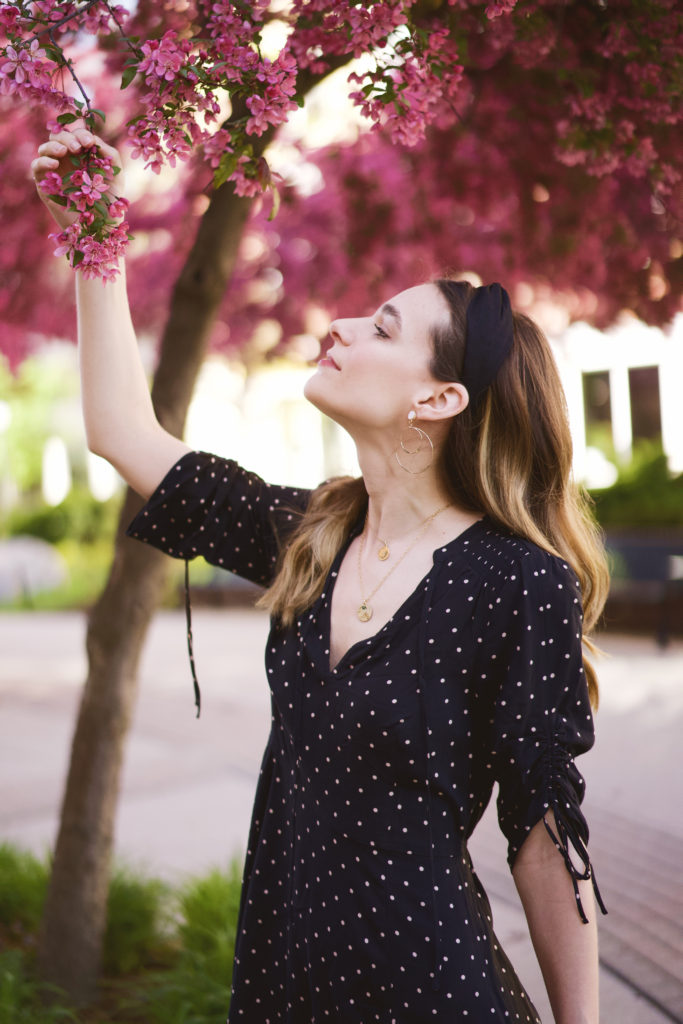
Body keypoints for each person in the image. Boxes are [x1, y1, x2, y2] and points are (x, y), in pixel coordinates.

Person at [33, 126, 609, 1024]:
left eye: (382, 326)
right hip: (285, 984)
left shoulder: (518, 583)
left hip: (431, 994)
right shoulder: (312, 534)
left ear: (438, 399)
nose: (339, 326)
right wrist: (93, 234)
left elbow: (541, 833)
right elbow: (121, 432)